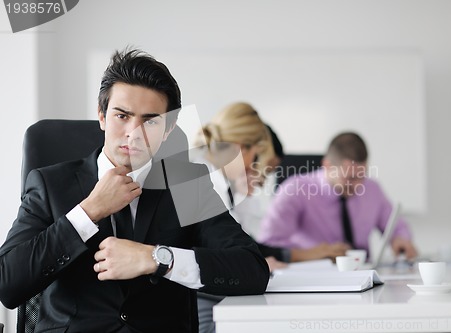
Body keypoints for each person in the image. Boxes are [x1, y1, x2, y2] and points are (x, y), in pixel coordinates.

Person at [0, 48, 269, 333]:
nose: (134, 133)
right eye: (122, 116)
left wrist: (156, 258)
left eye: (151, 121)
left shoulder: (185, 184)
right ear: (102, 116)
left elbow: (251, 269)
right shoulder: (50, 184)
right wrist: (89, 211)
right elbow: (8, 284)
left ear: (168, 129)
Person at [194, 102, 352, 333]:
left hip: (211, 294)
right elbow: (219, 251)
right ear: (242, 148)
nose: (255, 170)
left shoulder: (213, 179)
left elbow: (232, 245)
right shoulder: (204, 180)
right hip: (202, 300)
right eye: (257, 159)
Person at [259, 131, 418, 261]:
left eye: (362, 176)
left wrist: (400, 239)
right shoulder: (295, 189)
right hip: (314, 278)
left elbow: (397, 226)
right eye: (350, 178)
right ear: (327, 166)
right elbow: (269, 244)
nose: (357, 186)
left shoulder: (372, 188)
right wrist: (315, 253)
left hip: (363, 275)